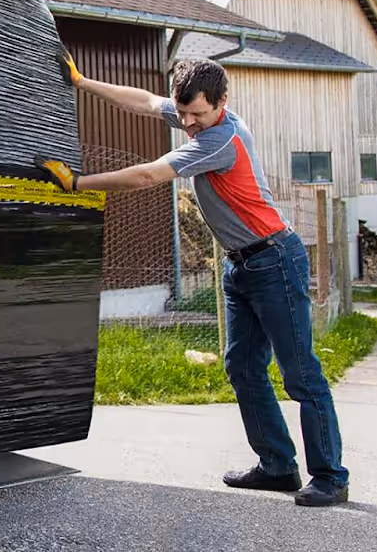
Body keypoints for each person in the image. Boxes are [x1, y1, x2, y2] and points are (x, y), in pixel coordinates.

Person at [34, 53, 350, 508]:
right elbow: (143, 101)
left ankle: (331, 477)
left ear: (222, 102)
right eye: (182, 113)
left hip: (275, 262)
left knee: (300, 374)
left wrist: (77, 184)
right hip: (242, 264)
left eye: (197, 114)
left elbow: (147, 175)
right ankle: (278, 466)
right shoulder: (195, 114)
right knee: (241, 367)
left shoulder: (220, 139)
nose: (188, 122)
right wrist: (84, 82)